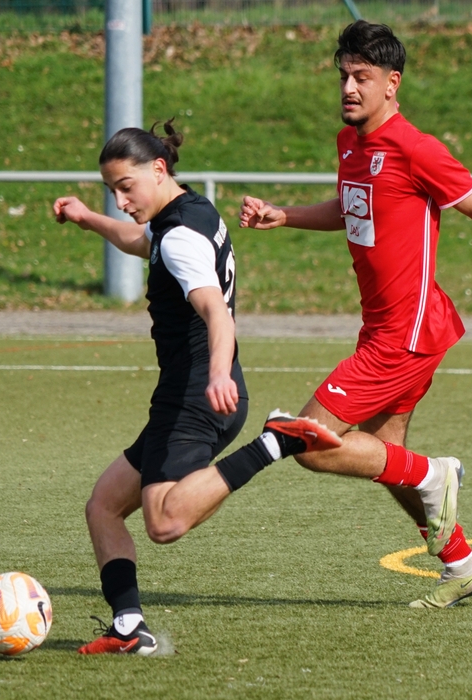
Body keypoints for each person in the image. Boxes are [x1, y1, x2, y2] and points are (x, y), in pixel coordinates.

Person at [239, 21, 472, 608]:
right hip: (390, 327)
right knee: (384, 457)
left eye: (361, 77)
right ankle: (462, 566)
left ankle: (435, 473)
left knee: (314, 444)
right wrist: (284, 215)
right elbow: (351, 210)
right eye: (342, 75)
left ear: (392, 84)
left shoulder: (416, 148)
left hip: (405, 334)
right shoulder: (351, 144)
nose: (348, 87)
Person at [53, 120, 341, 655]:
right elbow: (144, 243)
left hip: (196, 394)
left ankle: (275, 441)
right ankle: (127, 626)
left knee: (164, 520)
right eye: (111, 190)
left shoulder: (181, 235)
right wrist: (89, 219)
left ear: (158, 169)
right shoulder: (189, 211)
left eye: (126, 187)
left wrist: (215, 371)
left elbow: (215, 312)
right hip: (192, 391)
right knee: (104, 505)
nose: (119, 201)